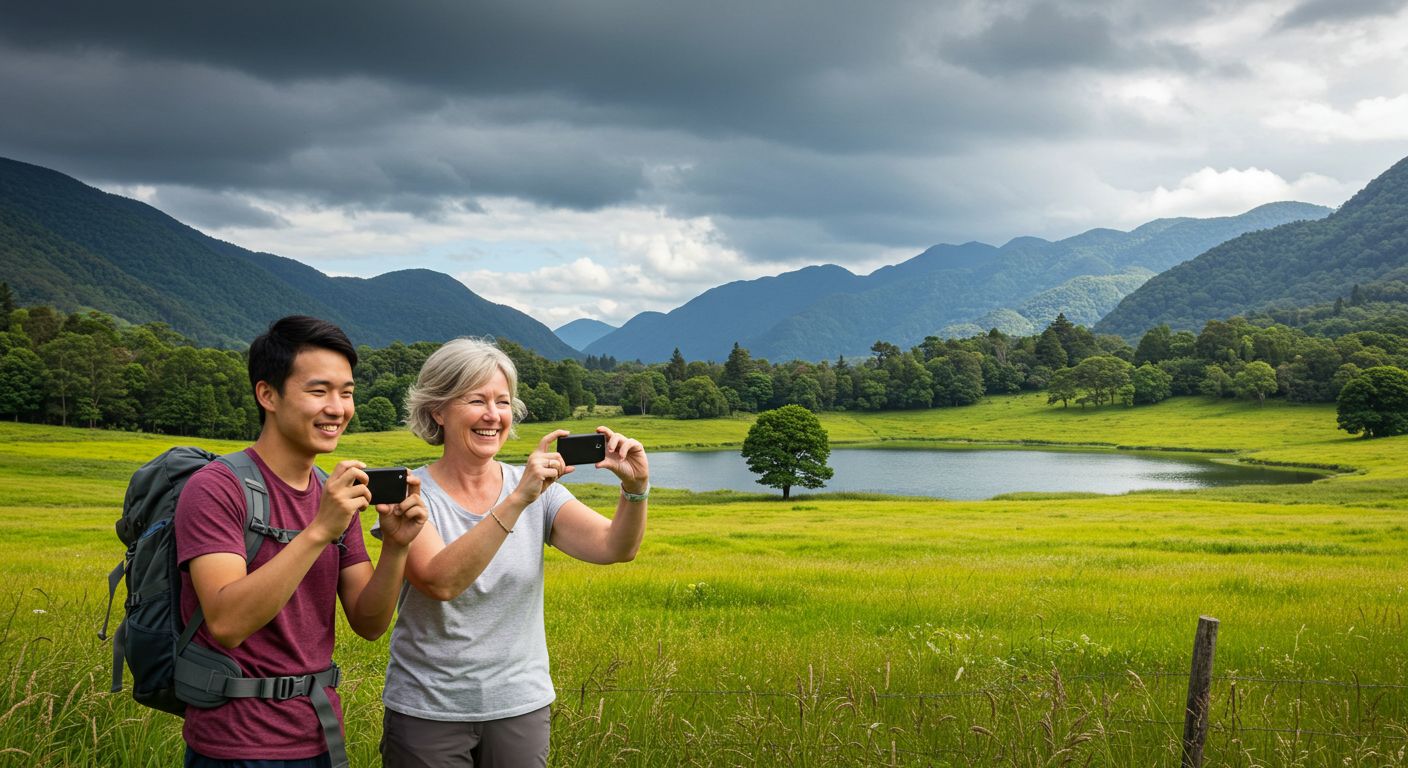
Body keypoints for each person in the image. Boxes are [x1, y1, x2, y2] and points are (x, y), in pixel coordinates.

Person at [378, 338, 649, 768]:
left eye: (503, 402)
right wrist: (518, 498)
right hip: (429, 711)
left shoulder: (537, 491)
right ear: (438, 410)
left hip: (519, 705)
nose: (493, 415)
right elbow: (439, 580)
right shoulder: (411, 494)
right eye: (476, 400)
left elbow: (615, 547)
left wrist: (635, 491)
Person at [175, 315, 428, 767]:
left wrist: (396, 547)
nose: (338, 408)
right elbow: (228, 623)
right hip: (236, 745)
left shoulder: (333, 493)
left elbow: (369, 624)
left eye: (346, 392)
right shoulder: (216, 488)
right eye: (319, 391)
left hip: (319, 736)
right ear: (267, 394)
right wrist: (319, 531)